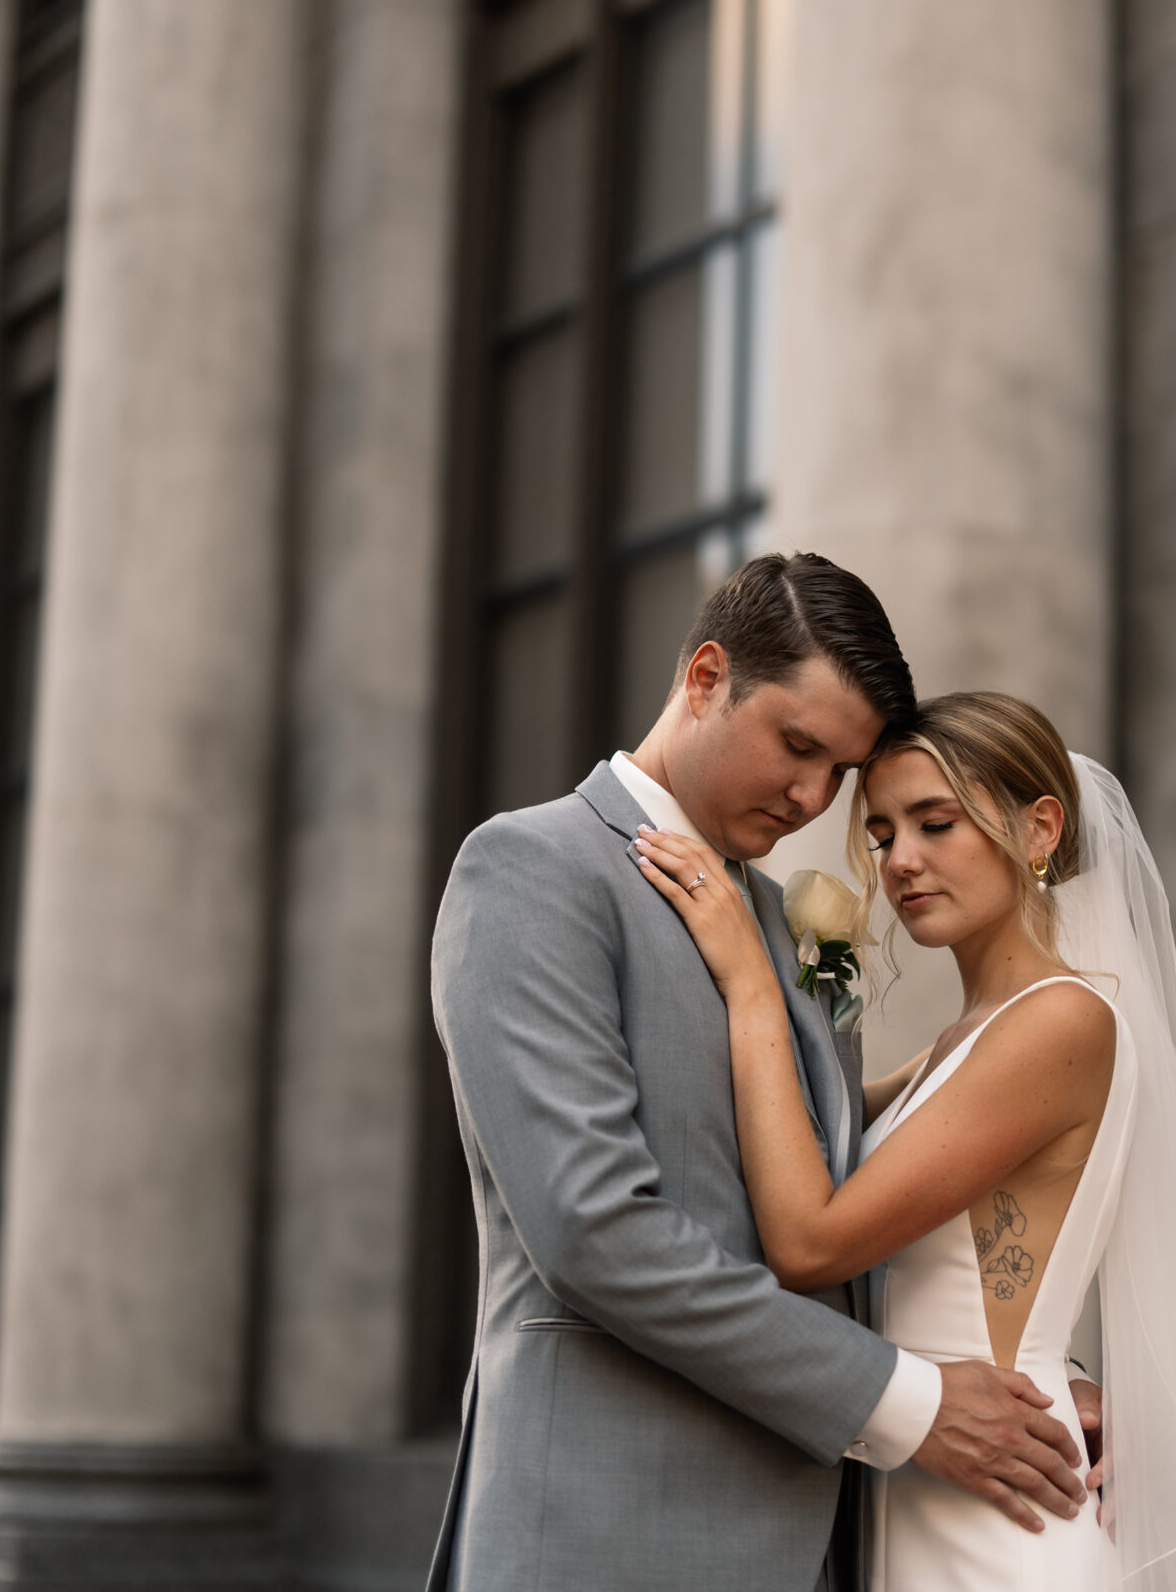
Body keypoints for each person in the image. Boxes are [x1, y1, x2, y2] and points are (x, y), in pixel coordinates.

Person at [633, 690, 1176, 1591]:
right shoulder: (965, 1042)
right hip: (933, 1498)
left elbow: (810, 1239)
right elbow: (815, 1149)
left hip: (1002, 1533)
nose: (901, 860)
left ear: (1040, 828)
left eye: (936, 822)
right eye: (885, 832)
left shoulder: (1059, 1022)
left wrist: (749, 981)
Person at [424, 555, 1090, 1592]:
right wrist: (908, 1402)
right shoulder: (535, 870)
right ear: (702, 678)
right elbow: (593, 1232)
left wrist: (1034, 1387)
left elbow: (850, 1198)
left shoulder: (789, 925)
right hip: (605, 1541)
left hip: (819, 1548)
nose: (813, 796)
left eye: (840, 772)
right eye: (797, 746)